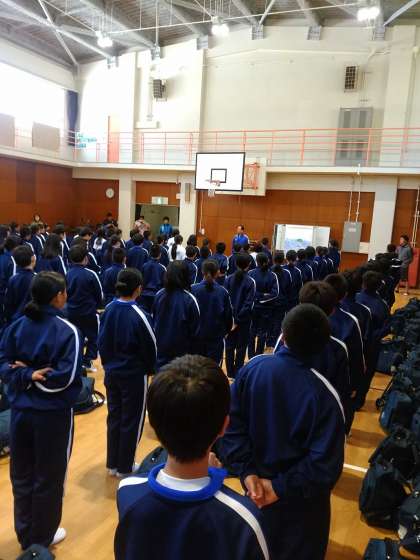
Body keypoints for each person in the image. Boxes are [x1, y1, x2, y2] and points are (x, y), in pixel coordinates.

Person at [220, 304, 345, 560]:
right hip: (300, 508)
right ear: (322, 345)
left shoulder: (254, 368)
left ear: (283, 335)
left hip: (255, 492)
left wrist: (247, 472)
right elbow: (324, 465)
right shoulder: (325, 396)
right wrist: (274, 485)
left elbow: (231, 425)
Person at [115, 354, 269, 560]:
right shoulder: (245, 519)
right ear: (224, 426)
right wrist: (215, 475)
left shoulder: (127, 491)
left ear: (153, 424)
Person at [0, 271, 82, 550]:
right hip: (52, 416)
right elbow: (65, 378)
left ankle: (27, 536)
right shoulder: (67, 331)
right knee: (47, 476)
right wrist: (32, 375)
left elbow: (6, 366)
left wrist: (23, 375)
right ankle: (41, 539)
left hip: (20, 412)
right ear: (58, 296)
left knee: (22, 475)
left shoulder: (15, 326)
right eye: (65, 291)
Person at [99, 268, 156, 478]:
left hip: (111, 373)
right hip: (133, 376)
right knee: (131, 419)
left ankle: (113, 464)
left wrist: (108, 364)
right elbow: (151, 347)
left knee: (114, 416)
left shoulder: (108, 309)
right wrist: (150, 370)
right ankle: (125, 466)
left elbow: (101, 340)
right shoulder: (140, 315)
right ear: (138, 289)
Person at [300, 281, 365, 410]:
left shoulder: (287, 336)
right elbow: (355, 361)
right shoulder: (338, 347)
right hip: (325, 406)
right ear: (332, 310)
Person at [152, 261, 200, 369]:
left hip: (162, 354)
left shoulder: (159, 295)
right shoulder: (190, 300)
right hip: (182, 358)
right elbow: (195, 332)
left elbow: (154, 321)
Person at [356, 271, 390, 409]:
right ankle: (359, 401)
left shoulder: (355, 298)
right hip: (371, 346)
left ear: (363, 284)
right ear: (379, 286)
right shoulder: (382, 305)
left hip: (353, 344)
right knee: (367, 374)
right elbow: (386, 328)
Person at [66, 245, 103, 371]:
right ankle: (87, 361)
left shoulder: (67, 274)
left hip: (71, 311)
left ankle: (77, 361)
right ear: (86, 258)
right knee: (93, 337)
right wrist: (98, 306)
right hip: (89, 312)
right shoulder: (91, 274)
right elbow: (99, 294)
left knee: (76, 336)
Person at [192, 260, 233, 365]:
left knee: (196, 369)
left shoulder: (192, 289)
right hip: (216, 338)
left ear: (202, 271)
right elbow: (228, 317)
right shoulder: (223, 292)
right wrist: (226, 331)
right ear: (217, 272)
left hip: (196, 337)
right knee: (213, 369)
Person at [224, 253, 256, 378]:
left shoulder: (228, 279)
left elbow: (225, 302)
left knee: (229, 346)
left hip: (230, 320)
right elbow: (248, 304)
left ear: (236, 264)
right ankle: (238, 373)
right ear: (249, 265)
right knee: (241, 347)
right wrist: (237, 321)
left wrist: (232, 320)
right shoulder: (250, 281)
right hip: (243, 320)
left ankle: (229, 373)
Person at [248, 253, 279, 358]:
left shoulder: (251, 273)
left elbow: (275, 293)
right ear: (267, 261)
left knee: (253, 331)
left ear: (256, 261)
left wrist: (257, 298)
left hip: (256, 306)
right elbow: (274, 293)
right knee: (261, 332)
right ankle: (258, 355)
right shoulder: (272, 275)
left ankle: (251, 355)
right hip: (265, 308)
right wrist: (262, 296)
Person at [266, 251, 292, 348]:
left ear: (273, 259)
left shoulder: (268, 271)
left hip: (270, 301)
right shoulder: (287, 273)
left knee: (269, 321)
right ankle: (274, 342)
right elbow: (289, 288)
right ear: (283, 260)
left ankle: (268, 341)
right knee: (278, 322)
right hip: (282, 301)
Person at [4, 245, 36, 324]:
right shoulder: (37, 278)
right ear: (33, 258)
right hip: (32, 320)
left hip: (15, 320)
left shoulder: (13, 279)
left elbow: (8, 303)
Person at [140, 245, 166, 313]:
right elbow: (164, 284)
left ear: (150, 253)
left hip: (144, 295)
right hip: (156, 295)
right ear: (160, 255)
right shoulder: (162, 268)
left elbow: (141, 281)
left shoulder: (144, 266)